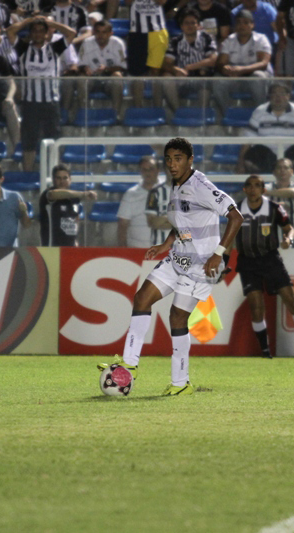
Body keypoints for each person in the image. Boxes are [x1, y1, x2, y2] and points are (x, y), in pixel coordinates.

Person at [98, 137, 243, 396]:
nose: (172, 164)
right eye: (168, 159)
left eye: (178, 159)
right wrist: (166, 244)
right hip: (178, 258)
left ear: (190, 160)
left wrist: (219, 254)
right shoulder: (175, 185)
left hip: (201, 266)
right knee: (142, 298)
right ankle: (130, 363)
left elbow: (236, 217)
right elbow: (181, 223)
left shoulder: (201, 186)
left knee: (177, 317)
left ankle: (180, 382)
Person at [236, 174, 294, 359]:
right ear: (245, 189)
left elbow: (289, 228)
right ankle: (265, 352)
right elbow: (229, 237)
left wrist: (288, 239)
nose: (253, 189)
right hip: (247, 261)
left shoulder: (274, 208)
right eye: (249, 186)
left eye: (257, 185)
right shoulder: (236, 210)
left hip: (270, 259)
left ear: (263, 189)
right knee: (256, 306)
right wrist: (222, 258)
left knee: (291, 301)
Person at [14, 16, 76, 173]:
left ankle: (53, 173)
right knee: (29, 140)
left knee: (52, 138)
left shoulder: (54, 48)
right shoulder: (23, 48)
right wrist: (29, 20)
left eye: (42, 31)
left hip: (51, 102)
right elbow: (9, 31)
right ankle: (27, 173)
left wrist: (51, 23)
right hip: (30, 102)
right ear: (31, 33)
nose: (38, 34)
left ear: (47, 33)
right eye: (35, 31)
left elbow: (72, 33)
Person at [237, 82, 294, 175]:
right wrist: (240, 163)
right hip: (266, 156)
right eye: (274, 93)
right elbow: (247, 140)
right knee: (250, 158)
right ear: (269, 96)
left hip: (291, 154)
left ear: (288, 96)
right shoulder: (259, 112)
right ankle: (272, 177)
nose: (278, 97)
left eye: (282, 93)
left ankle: (287, 178)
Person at [213, 10, 272, 111]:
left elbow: (263, 64)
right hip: (236, 78)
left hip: (257, 78)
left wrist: (242, 70)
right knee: (218, 80)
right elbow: (221, 63)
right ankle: (228, 114)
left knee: (258, 76)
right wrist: (224, 69)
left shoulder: (261, 39)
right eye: (238, 22)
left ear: (252, 25)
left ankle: (261, 113)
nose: (241, 25)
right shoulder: (229, 40)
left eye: (245, 22)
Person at [161, 8, 217, 112]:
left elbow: (213, 60)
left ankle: (201, 117)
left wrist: (190, 67)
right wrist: (175, 70)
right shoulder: (175, 41)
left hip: (202, 78)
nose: (190, 26)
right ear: (181, 26)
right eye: (186, 23)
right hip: (182, 79)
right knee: (166, 77)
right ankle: (179, 112)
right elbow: (166, 63)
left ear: (198, 25)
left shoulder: (207, 38)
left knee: (205, 82)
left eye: (193, 23)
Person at [76, 19, 126, 118]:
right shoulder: (87, 43)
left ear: (111, 33)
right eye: (98, 32)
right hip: (91, 78)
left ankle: (116, 114)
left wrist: (107, 69)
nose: (100, 35)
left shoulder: (118, 43)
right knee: (81, 79)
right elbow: (80, 64)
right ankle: (84, 114)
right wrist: (85, 68)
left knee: (117, 77)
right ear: (94, 32)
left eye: (104, 32)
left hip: (109, 79)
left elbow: (123, 67)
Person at [39, 163, 97, 246]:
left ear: (70, 179)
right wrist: (82, 194)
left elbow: (74, 220)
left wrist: (75, 241)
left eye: (65, 178)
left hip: (70, 248)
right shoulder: (47, 194)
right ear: (53, 180)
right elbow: (53, 194)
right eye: (58, 178)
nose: (62, 181)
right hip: (51, 248)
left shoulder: (74, 198)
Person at [127, 0, 169, 107]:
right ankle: (137, 108)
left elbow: (161, 2)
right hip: (137, 32)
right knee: (138, 74)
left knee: (156, 72)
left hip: (157, 31)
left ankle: (158, 107)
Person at [117, 156, 163, 247]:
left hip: (165, 251)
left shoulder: (170, 191)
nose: (147, 173)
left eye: (151, 169)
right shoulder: (130, 194)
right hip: (137, 251)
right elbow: (122, 225)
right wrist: (123, 251)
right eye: (144, 169)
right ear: (140, 172)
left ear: (158, 171)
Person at [263, 158, 294, 248]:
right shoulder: (267, 186)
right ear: (274, 172)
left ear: (292, 172)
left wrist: (269, 192)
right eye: (279, 168)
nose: (282, 170)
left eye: (286, 168)